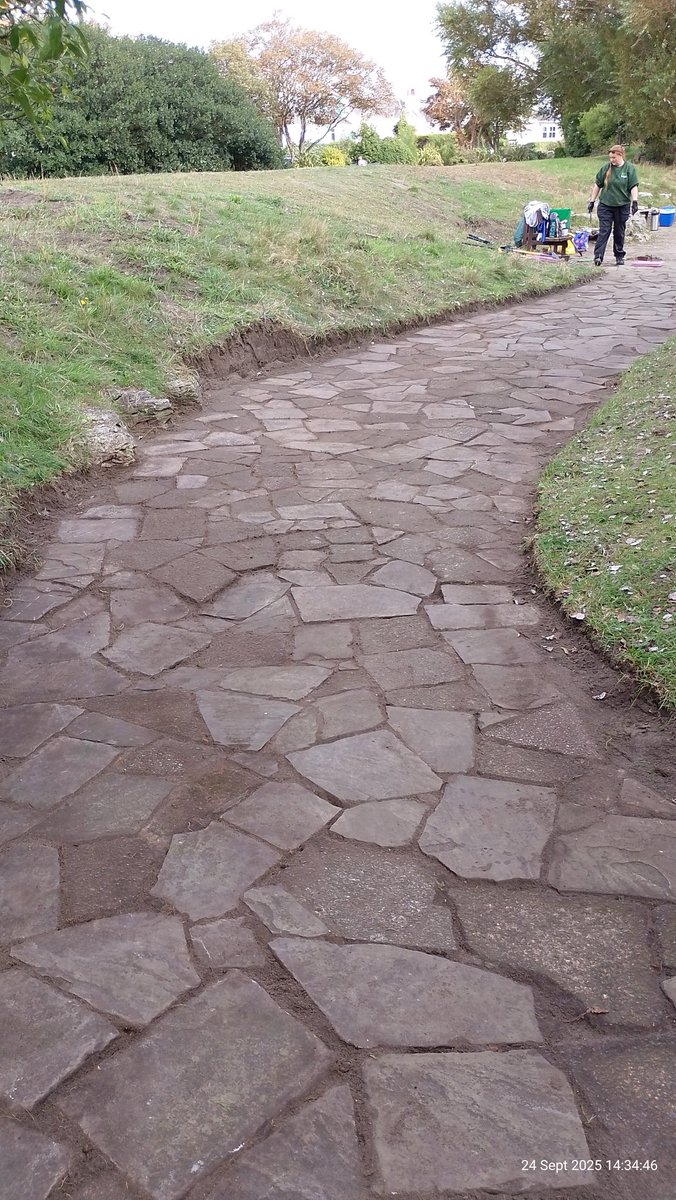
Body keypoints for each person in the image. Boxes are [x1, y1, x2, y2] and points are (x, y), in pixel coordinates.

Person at [587, 144, 639, 267]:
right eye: (610, 158)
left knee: (619, 231)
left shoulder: (629, 169)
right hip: (606, 205)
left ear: (620, 155)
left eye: (614, 157)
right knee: (604, 230)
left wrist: (635, 201)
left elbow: (633, 186)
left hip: (622, 205)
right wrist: (592, 201)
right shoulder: (605, 168)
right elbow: (597, 185)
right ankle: (598, 256)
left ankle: (619, 255)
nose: (612, 160)